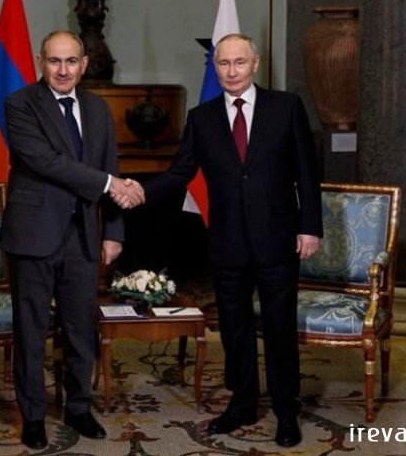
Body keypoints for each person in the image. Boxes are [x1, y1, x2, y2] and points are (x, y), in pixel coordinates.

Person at [115, 33, 322, 448]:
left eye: (239, 62)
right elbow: (180, 173)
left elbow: (307, 170)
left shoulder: (286, 107)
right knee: (234, 327)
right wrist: (137, 192)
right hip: (227, 241)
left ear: (255, 64)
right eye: (223, 64)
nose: (231, 71)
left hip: (278, 238)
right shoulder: (202, 117)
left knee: (280, 327)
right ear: (216, 68)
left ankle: (286, 411)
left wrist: (310, 227)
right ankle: (242, 404)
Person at [0, 30, 142, 450]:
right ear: (40, 62)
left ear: (84, 64)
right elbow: (46, 162)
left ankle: (79, 408)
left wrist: (113, 231)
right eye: (54, 61)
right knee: (31, 330)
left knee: (81, 328)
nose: (63, 70)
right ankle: (32, 416)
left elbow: (110, 163)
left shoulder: (97, 108)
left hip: (83, 236)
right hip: (33, 234)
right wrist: (111, 184)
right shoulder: (20, 104)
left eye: (71, 61)